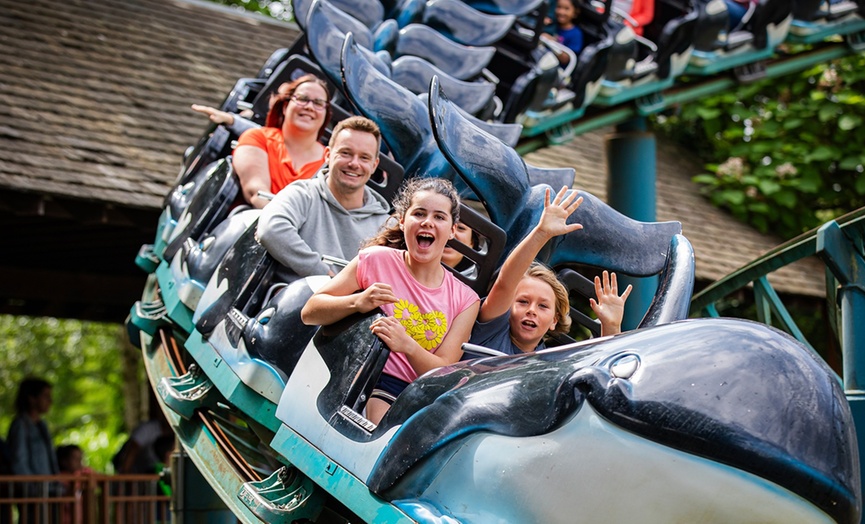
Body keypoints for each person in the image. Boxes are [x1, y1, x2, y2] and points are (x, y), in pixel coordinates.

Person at [301, 178, 480, 424]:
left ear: (451, 230)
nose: (428, 222)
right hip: (363, 379)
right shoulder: (375, 260)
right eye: (419, 213)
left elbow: (441, 373)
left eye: (439, 217)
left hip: (415, 397)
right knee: (376, 414)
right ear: (403, 220)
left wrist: (408, 345)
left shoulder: (466, 300)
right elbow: (310, 312)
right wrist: (358, 302)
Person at [470, 187, 632, 354]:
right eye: (523, 301)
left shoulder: (548, 363)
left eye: (543, 306)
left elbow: (601, 365)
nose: (531, 310)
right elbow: (505, 283)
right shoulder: (491, 332)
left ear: (554, 321)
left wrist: (611, 326)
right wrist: (542, 233)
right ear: (506, 308)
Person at [257, 116, 391, 278]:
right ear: (327, 155)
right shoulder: (302, 194)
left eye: (364, 157)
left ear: (374, 165)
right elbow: (270, 229)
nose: (354, 163)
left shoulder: (386, 226)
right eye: (345, 153)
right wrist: (323, 275)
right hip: (292, 298)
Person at [230, 74, 333, 208]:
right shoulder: (258, 138)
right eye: (302, 99)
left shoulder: (330, 162)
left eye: (318, 103)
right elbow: (256, 193)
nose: (309, 107)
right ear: (285, 107)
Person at [7, 378, 59, 523]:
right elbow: (19, 461)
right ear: (31, 398)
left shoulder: (42, 426)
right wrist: (32, 489)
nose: (50, 401)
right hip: (33, 492)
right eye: (45, 396)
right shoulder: (21, 425)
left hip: (49, 489)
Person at [541, 0, 584, 67]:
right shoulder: (551, 25)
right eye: (559, 7)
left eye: (566, 9)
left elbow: (566, 59)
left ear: (575, 12)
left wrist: (551, 42)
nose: (561, 12)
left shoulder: (576, 34)